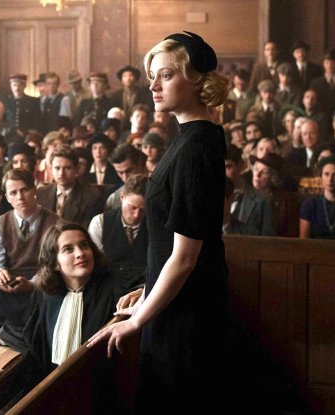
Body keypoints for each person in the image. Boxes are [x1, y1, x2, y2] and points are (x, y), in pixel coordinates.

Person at [87, 31, 230, 412]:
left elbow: (184, 257)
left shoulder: (195, 146)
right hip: (174, 300)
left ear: (196, 80)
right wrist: (149, 290)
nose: (152, 86)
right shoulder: (191, 136)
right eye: (153, 76)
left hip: (187, 312)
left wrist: (137, 321)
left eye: (165, 75)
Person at [0, 223, 125, 412]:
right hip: (55, 386)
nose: (80, 253)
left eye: (84, 245)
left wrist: (139, 293)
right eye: (68, 249)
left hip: (99, 392)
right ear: (55, 263)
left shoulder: (114, 287)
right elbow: (34, 337)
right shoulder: (47, 295)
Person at [0, 168, 60, 328]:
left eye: (24, 190)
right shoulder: (0, 224)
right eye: (13, 192)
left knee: (50, 294)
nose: (20, 197)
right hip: (12, 283)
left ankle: (14, 329)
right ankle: (28, 326)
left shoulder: (55, 223)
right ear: (7, 197)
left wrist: (31, 284)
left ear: (34, 190)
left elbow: (57, 266)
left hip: (42, 282)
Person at [88, 174, 148, 293]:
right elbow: (95, 264)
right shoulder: (100, 223)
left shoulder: (155, 226)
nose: (136, 215)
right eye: (132, 207)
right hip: (107, 288)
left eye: (142, 209)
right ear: (122, 197)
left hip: (143, 289)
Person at [299, 155, 335, 239]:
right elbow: (304, 239)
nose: (330, 179)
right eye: (326, 174)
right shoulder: (310, 205)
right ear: (321, 176)